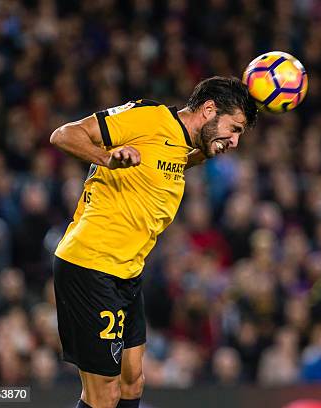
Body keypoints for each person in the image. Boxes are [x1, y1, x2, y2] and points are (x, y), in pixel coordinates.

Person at [50, 76, 257, 408]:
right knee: (104, 391)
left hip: (127, 271)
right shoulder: (149, 118)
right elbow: (64, 134)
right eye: (234, 129)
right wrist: (108, 158)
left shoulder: (183, 150)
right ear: (208, 110)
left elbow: (164, 162)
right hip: (90, 263)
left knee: (133, 381)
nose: (234, 141)